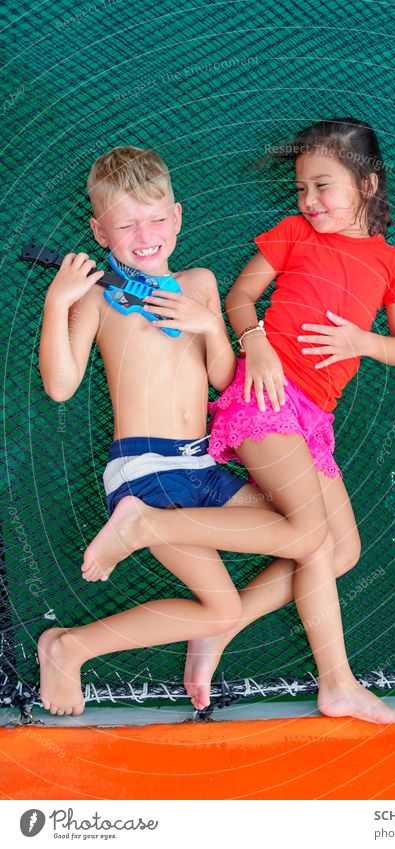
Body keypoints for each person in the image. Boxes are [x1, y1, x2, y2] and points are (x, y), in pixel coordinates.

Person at [83, 119, 395, 725]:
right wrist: (255, 341)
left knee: (339, 550)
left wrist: (361, 342)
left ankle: (228, 623)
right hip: (266, 396)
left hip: (314, 416)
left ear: (367, 185)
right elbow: (239, 299)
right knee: (311, 535)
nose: (310, 202)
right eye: (301, 190)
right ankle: (337, 682)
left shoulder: (392, 262)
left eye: (323, 187)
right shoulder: (294, 234)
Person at [37, 145, 306, 716]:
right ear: (100, 233)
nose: (145, 234)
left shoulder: (201, 282)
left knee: (306, 539)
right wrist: (57, 301)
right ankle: (67, 649)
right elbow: (61, 386)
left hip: (204, 467)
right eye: (126, 224)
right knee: (222, 608)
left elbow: (223, 377)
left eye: (157, 218)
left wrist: (209, 323)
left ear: (178, 217)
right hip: (145, 470)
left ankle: (139, 540)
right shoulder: (98, 296)